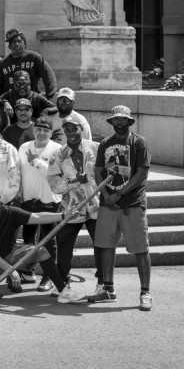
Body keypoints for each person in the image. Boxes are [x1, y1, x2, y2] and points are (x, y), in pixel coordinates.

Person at [0, 183, 76, 303]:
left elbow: (37, 217)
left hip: (9, 253)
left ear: (0, 198)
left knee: (41, 251)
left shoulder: (10, 212)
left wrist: (63, 215)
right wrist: (10, 270)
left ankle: (63, 291)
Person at [90, 106, 153, 311]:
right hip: (109, 203)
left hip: (132, 203)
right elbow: (99, 171)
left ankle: (145, 292)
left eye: (122, 120)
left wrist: (120, 193)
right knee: (106, 245)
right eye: (115, 120)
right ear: (111, 122)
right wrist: (107, 195)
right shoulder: (105, 144)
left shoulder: (139, 143)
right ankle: (108, 288)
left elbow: (141, 174)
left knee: (140, 249)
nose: (119, 123)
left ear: (129, 122)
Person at [47, 115, 102, 297]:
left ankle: (102, 282)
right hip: (71, 207)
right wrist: (74, 181)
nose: (71, 133)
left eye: (74, 128)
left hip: (96, 205)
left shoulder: (96, 148)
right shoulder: (58, 155)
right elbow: (55, 184)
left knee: (101, 245)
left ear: (82, 129)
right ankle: (62, 282)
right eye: (67, 129)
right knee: (64, 246)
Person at [16, 116, 63, 289]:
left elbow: (59, 175)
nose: (42, 133)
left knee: (48, 239)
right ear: (33, 130)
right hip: (28, 200)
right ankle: (28, 271)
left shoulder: (58, 149)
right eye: (39, 129)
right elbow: (19, 172)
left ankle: (49, 277)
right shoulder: (23, 147)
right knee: (28, 238)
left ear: (51, 132)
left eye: (46, 130)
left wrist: (37, 163)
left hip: (49, 201)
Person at [0, 29, 57, 99]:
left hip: (32, 101)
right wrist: (2, 102)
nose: (17, 44)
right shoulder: (2, 64)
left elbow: (49, 76)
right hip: (11, 103)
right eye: (13, 42)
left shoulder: (34, 58)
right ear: (9, 46)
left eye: (19, 41)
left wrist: (49, 95)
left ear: (24, 43)